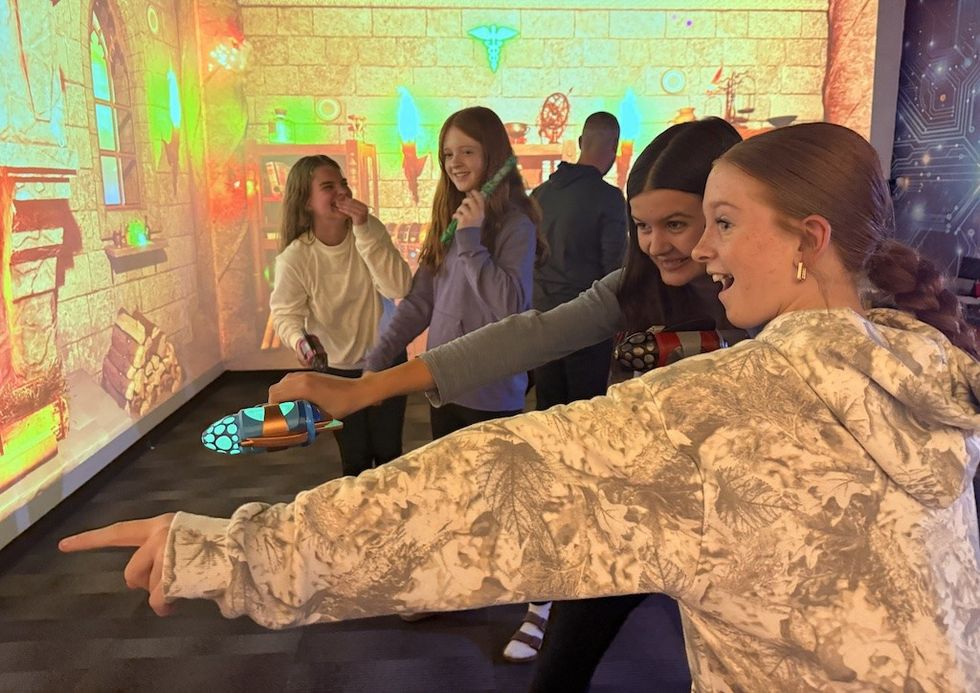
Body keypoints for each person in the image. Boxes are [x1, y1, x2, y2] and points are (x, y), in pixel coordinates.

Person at [61, 123, 980, 691]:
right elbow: (521, 335)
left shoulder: (730, 405)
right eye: (658, 223)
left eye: (717, 222)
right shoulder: (922, 365)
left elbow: (478, 495)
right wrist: (372, 384)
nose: (692, 248)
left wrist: (225, 549)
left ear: (808, 237)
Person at [267, 117, 745, 684]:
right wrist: (371, 378)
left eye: (679, 224)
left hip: (733, 528)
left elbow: (511, 308)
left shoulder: (516, 224)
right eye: (642, 225)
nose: (659, 244)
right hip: (636, 516)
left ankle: (527, 595)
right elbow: (526, 330)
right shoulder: (631, 285)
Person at [505, 110, 626, 663]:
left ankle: (552, 544)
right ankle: (575, 547)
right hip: (585, 329)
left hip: (538, 328)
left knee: (547, 428)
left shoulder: (539, 193)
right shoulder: (607, 202)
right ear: (614, 149)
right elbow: (614, 276)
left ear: (580, 144)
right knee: (583, 439)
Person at [363, 106, 545, 441]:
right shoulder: (452, 218)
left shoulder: (515, 225)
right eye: (448, 154)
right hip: (444, 383)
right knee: (449, 488)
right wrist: (378, 360)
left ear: (492, 155)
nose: (454, 162)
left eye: (467, 151)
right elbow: (420, 302)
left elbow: (510, 306)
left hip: (491, 392)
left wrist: (471, 241)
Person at [268, 155, 412, 477]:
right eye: (328, 187)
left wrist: (365, 229)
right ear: (306, 200)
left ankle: (395, 519)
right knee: (355, 457)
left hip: (385, 360)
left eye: (343, 184)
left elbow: (399, 285)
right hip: (337, 369)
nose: (342, 193)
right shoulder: (296, 257)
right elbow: (285, 314)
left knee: (391, 454)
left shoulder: (368, 230)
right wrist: (300, 341)